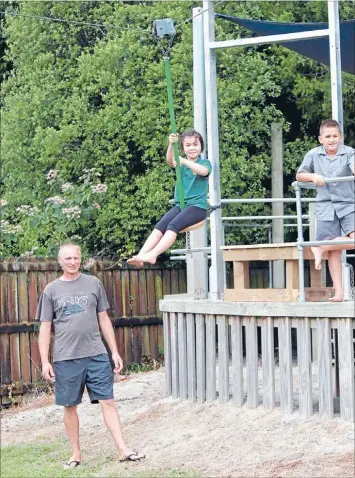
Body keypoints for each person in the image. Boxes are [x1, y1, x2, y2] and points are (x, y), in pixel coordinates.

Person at [37, 243, 144, 468]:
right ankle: (76, 455)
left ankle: (123, 449)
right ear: (60, 261)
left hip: (96, 354)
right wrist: (45, 361)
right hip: (66, 358)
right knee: (70, 406)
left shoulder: (93, 283)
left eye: (76, 258)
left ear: (80, 259)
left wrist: (113, 351)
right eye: (68, 259)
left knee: (108, 401)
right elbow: (45, 328)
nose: (72, 262)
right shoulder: (51, 290)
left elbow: (104, 319)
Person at [128, 128, 212, 267]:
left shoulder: (204, 163)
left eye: (195, 145)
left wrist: (183, 161)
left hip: (197, 207)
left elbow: (203, 171)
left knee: (173, 226)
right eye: (188, 145)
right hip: (181, 205)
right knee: (160, 226)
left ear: (201, 147)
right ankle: (141, 255)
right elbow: (170, 160)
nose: (192, 148)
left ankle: (153, 255)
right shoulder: (181, 163)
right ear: (183, 148)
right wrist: (171, 145)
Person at [296, 119, 355, 302]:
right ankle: (339, 292)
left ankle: (320, 247)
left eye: (335, 136)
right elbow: (299, 175)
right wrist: (313, 176)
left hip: (348, 204)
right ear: (320, 138)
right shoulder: (314, 154)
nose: (332, 140)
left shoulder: (349, 152)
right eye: (328, 136)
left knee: (340, 243)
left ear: (341, 137)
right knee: (335, 252)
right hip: (326, 205)